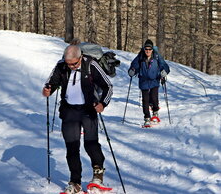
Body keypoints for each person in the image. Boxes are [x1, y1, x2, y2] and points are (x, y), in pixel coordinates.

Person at [42, 45, 113, 194]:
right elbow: (51, 83)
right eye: (69, 64)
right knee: (72, 147)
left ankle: (98, 173)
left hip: (88, 110)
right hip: (69, 111)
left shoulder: (91, 64)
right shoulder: (62, 65)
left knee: (90, 144)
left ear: (80, 57)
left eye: (74, 64)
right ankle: (75, 182)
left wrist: (103, 103)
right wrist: (48, 90)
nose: (71, 67)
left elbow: (108, 86)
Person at [128, 39, 170, 127]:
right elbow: (134, 65)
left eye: (149, 49)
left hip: (154, 80)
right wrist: (132, 70)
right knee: (145, 100)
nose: (147, 51)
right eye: (146, 49)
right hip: (144, 80)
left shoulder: (156, 56)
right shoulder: (140, 56)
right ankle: (147, 117)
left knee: (154, 98)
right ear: (144, 49)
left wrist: (164, 71)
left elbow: (164, 65)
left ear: (152, 49)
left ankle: (155, 112)